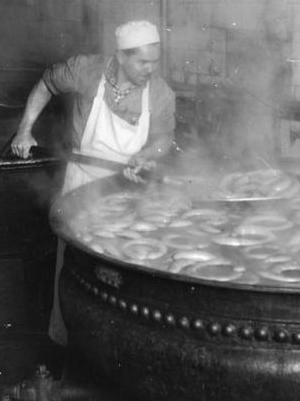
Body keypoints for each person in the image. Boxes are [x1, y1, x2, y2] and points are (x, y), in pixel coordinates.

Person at [11, 20, 176, 345]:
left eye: (155, 61)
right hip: (81, 181)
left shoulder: (160, 93)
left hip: (127, 189)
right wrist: (24, 130)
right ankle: (68, 345)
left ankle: (120, 345)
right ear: (121, 57)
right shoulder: (87, 71)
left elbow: (164, 138)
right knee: (76, 265)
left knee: (125, 266)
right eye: (143, 62)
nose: (150, 69)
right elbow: (46, 83)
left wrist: (146, 156)